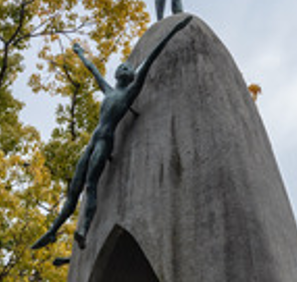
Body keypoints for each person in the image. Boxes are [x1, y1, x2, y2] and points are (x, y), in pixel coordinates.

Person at [31, 15, 193, 251]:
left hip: (104, 142)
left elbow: (151, 58)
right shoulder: (108, 91)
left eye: (128, 68)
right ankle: (53, 231)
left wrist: (173, 30)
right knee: (73, 189)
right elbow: (92, 70)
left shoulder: (130, 93)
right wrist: (80, 54)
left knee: (91, 184)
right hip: (92, 141)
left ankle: (84, 229)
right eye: (122, 66)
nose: (125, 67)